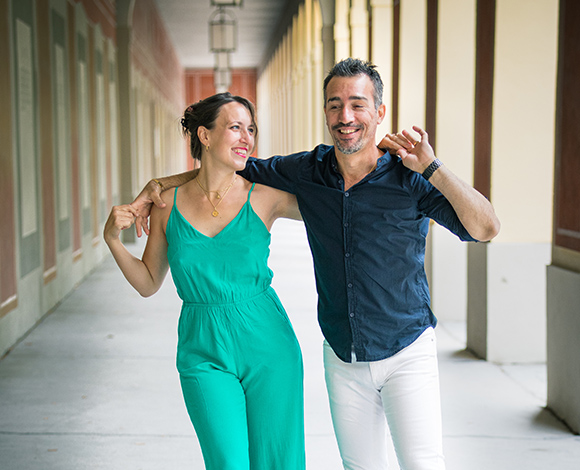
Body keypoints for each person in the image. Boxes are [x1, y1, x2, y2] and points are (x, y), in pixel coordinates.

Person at [133, 58, 500, 470]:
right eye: (335, 105)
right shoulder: (308, 172)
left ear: (380, 111)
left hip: (406, 349)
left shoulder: (410, 178)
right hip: (344, 355)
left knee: (422, 464)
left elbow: (485, 228)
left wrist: (432, 167)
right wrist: (158, 186)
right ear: (325, 112)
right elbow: (227, 168)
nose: (346, 116)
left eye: (358, 104)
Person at [103, 93, 305, 470]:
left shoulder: (266, 197)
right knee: (228, 462)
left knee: (278, 462)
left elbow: (333, 198)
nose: (247, 137)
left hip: (268, 343)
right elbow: (148, 282)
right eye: (235, 127)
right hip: (203, 346)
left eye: (251, 129)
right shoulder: (166, 205)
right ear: (205, 136)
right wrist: (112, 239)